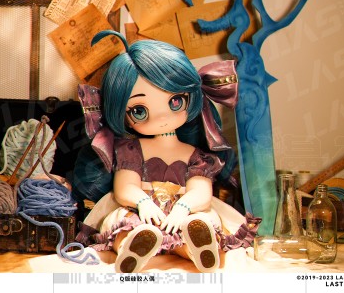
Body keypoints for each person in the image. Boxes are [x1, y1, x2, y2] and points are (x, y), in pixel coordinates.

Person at [74, 30, 260, 273]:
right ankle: (133, 245)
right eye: (139, 111)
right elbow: (125, 187)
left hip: (185, 214)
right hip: (141, 212)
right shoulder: (131, 150)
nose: (162, 117)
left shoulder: (196, 155)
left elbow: (201, 191)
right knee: (124, 223)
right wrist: (143, 203)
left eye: (175, 102)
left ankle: (197, 246)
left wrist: (183, 208)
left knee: (203, 220)